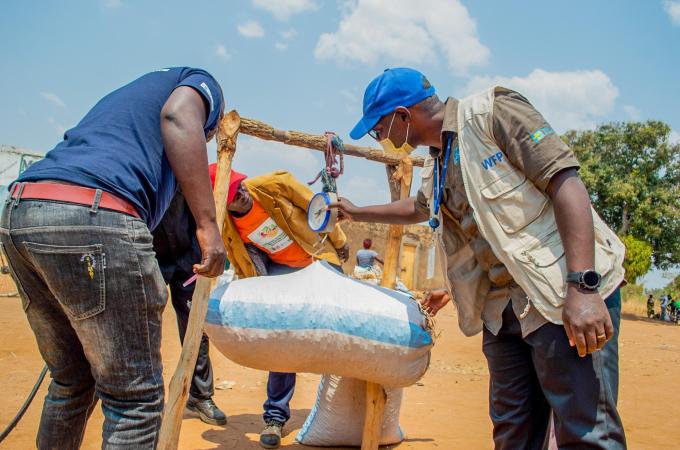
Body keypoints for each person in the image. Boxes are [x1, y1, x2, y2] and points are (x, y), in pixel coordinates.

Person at [332, 68, 627, 449]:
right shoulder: (436, 162)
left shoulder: (493, 113)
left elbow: (565, 182)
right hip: (502, 312)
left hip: (558, 297)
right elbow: (419, 208)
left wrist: (584, 286)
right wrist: (357, 212)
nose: (382, 137)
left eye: (380, 127)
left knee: (586, 432)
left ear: (403, 116)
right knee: (512, 432)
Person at [0, 67, 227, 449]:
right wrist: (208, 225)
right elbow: (178, 116)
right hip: (94, 216)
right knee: (134, 400)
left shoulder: (126, 104)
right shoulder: (199, 81)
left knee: (72, 381)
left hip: (22, 214)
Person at [214, 164, 349, 449]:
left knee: (342, 328)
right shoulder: (226, 225)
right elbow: (241, 262)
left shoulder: (275, 185)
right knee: (282, 342)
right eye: (235, 196)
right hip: (281, 272)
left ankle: (348, 408)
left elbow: (318, 209)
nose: (243, 195)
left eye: (241, 186)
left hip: (317, 257)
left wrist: (339, 241)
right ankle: (275, 416)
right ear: (224, 204)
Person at [152, 191, 227, 425]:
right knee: (143, 327)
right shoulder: (141, 161)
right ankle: (146, 402)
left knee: (195, 328)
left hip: (188, 257)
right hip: (150, 252)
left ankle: (200, 396)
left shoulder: (187, 162)